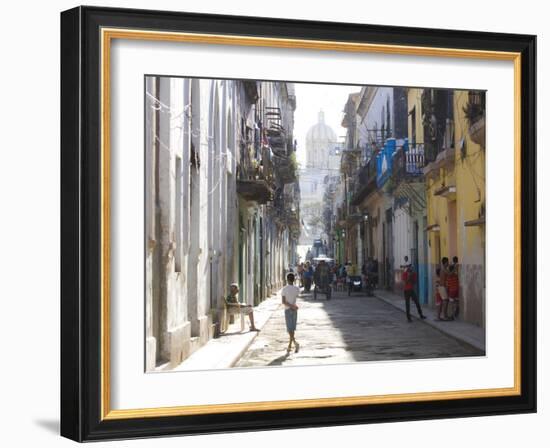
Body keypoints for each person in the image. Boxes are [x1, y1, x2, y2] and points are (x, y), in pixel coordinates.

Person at [281, 273, 301, 354]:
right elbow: (296, 297)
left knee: (290, 329)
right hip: (295, 309)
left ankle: (295, 343)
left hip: (288, 309)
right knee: (292, 329)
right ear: (294, 279)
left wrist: (291, 306)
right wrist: (293, 306)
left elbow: (283, 302)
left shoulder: (284, 289)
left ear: (287, 279)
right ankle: (289, 345)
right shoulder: (296, 289)